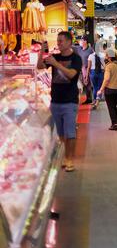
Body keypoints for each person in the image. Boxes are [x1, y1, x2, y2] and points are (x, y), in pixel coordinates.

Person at [37, 32, 82, 172]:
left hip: (70, 101)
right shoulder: (54, 57)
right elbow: (40, 66)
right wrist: (41, 51)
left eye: (61, 41)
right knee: (61, 133)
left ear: (69, 42)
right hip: (55, 101)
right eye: (57, 41)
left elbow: (71, 74)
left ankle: (70, 159)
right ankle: (65, 156)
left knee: (70, 133)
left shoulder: (76, 58)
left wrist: (56, 64)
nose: (58, 43)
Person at [98, 48, 117, 130]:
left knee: (111, 107)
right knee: (114, 106)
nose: (105, 57)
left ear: (109, 57)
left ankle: (114, 124)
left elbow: (106, 79)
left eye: (106, 55)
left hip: (110, 89)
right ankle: (115, 123)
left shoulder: (109, 66)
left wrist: (101, 89)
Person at [75, 35, 94, 104]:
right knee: (84, 84)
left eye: (82, 40)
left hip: (89, 69)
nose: (80, 41)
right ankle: (88, 98)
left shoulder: (90, 50)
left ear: (85, 41)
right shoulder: (79, 49)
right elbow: (71, 47)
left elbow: (93, 59)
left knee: (89, 84)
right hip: (81, 69)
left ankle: (91, 98)